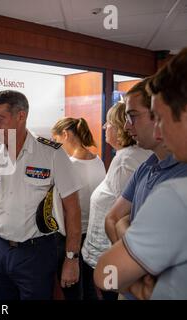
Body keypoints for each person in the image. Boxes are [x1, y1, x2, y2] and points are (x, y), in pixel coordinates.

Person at [95, 47, 187, 299]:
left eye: (161, 117)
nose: (159, 131)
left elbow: (107, 273)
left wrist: (130, 264)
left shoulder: (177, 193)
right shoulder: (147, 165)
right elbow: (113, 218)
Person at [0, 90, 82, 300]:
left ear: (21, 116)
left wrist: (72, 258)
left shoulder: (52, 153)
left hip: (36, 253)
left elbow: (73, 209)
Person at [105, 79, 187, 249]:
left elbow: (158, 248)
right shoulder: (146, 166)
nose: (127, 126)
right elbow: (113, 219)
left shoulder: (181, 175)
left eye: (132, 116)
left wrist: (125, 226)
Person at [81, 102, 151, 300]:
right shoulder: (125, 157)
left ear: (120, 128)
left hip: (111, 258)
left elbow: (128, 215)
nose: (104, 127)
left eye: (108, 123)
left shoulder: (127, 159)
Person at [51, 117, 106, 300]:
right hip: (91, 236)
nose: (56, 146)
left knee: (72, 291)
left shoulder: (69, 166)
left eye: (56, 140)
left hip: (70, 239)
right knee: (90, 289)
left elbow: (62, 210)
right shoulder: (97, 160)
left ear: (65, 134)